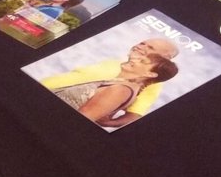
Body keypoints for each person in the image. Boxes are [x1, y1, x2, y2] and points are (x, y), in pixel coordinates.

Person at [40, 37, 179, 128]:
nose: (140, 47)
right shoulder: (117, 62)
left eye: (150, 48)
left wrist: (110, 123)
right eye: (142, 43)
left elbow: (135, 114)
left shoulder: (150, 83)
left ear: (165, 57)